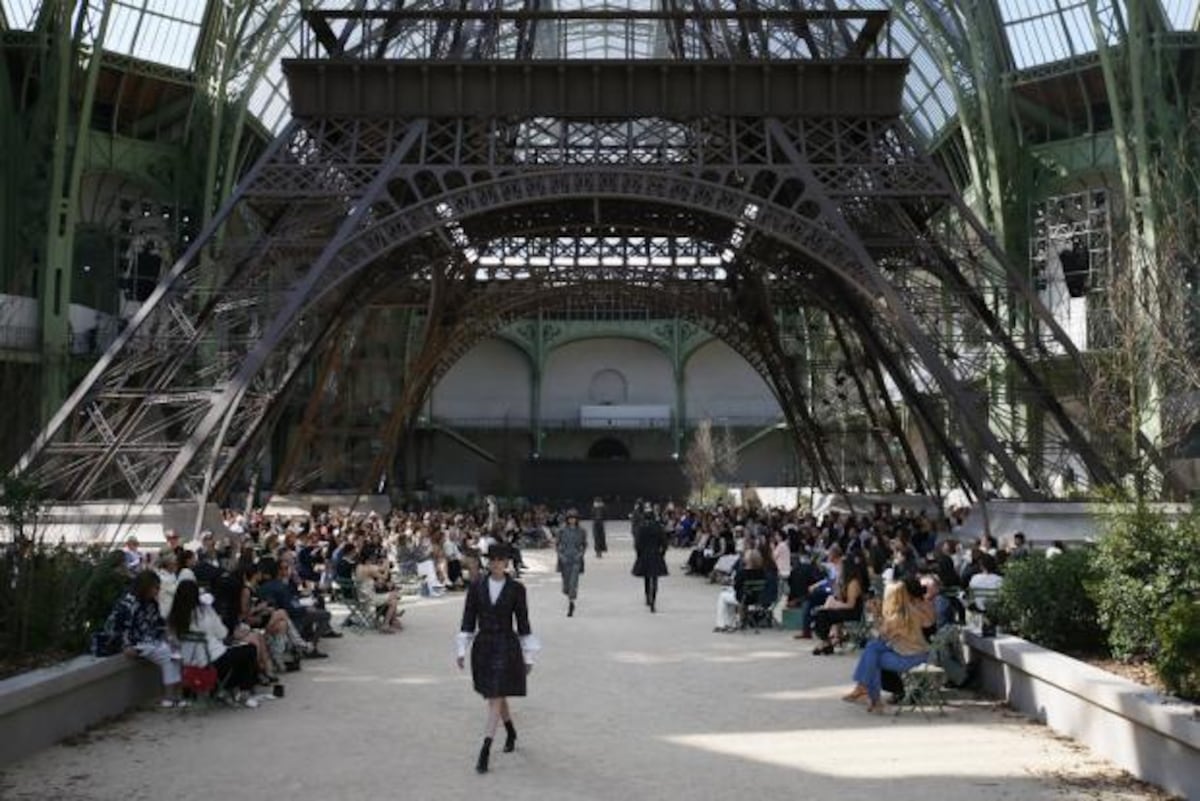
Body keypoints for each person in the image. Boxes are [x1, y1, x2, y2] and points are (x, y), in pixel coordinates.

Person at [455, 544, 540, 774]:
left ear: (507, 562)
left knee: (495, 697)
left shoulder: (517, 589)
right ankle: (510, 731)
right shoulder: (476, 587)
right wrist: (461, 649)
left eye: (500, 559)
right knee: (496, 695)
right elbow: (468, 619)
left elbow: (523, 622)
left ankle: (485, 749)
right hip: (483, 647)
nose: (496, 563)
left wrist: (528, 655)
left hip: (506, 646)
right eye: (492, 559)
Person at [842, 579, 935, 713]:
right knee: (872, 648)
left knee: (873, 657)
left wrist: (875, 614)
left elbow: (880, 635)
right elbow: (927, 622)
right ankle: (866, 692)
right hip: (921, 653)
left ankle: (870, 695)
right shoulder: (911, 610)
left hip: (910, 659)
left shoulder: (897, 617)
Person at [167, 579, 261, 706]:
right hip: (213, 659)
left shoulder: (174, 618)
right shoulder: (204, 611)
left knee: (237, 655)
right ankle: (244, 691)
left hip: (190, 662)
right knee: (250, 650)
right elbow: (222, 633)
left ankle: (225, 690)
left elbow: (173, 641)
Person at [103, 570, 185, 707]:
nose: (157, 591)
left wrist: (169, 637)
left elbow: (159, 623)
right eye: (155, 588)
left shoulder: (151, 603)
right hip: (135, 642)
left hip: (151, 640)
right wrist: (126, 645)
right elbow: (118, 627)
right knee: (167, 654)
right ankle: (170, 695)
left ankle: (176, 695)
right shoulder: (128, 604)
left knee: (175, 652)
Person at [632, 503, 669, 612]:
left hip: (645, 554)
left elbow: (637, 543)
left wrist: (639, 554)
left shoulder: (641, 527)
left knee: (647, 577)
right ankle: (653, 600)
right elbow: (664, 542)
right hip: (656, 554)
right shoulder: (658, 527)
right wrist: (662, 554)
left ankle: (647, 596)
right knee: (655, 578)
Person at [555, 509, 587, 617]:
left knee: (573, 583)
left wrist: (580, 554)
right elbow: (557, 545)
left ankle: (571, 603)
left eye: (574, 518)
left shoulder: (581, 531)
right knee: (566, 586)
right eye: (570, 518)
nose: (572, 520)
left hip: (576, 560)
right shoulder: (561, 530)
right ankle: (569, 596)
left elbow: (584, 545)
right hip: (565, 560)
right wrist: (560, 555)